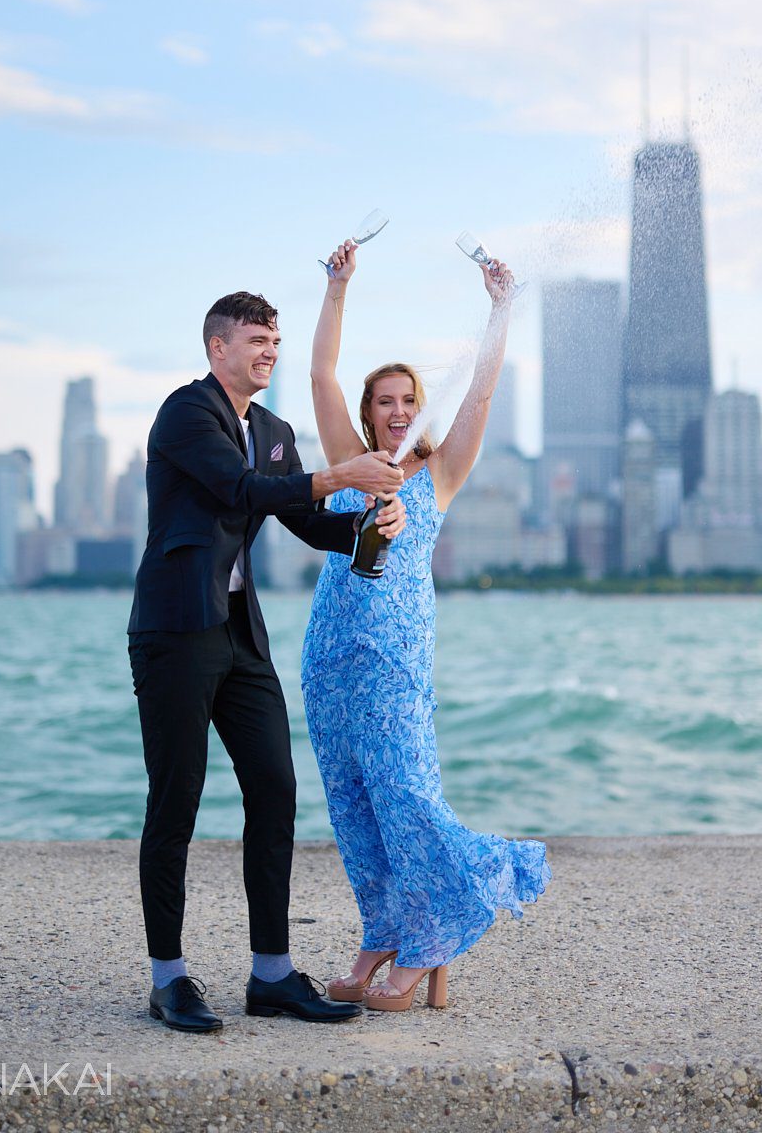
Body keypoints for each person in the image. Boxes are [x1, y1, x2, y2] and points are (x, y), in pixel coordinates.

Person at [128, 290, 407, 1032]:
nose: (269, 351)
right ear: (217, 347)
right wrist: (345, 473)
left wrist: (377, 524)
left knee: (275, 793)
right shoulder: (186, 413)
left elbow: (309, 521)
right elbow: (240, 489)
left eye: (274, 340)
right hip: (175, 631)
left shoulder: (276, 430)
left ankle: (272, 975)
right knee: (175, 802)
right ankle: (168, 980)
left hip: (239, 637)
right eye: (256, 339)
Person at [301, 243, 551, 1013]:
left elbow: (480, 391)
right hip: (328, 657)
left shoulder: (438, 470)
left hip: (394, 662)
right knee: (353, 807)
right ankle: (382, 933)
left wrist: (499, 309)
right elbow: (317, 377)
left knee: (405, 796)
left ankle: (442, 924)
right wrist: (338, 287)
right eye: (384, 401)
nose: (398, 411)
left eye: (408, 400)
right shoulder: (351, 461)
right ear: (370, 411)